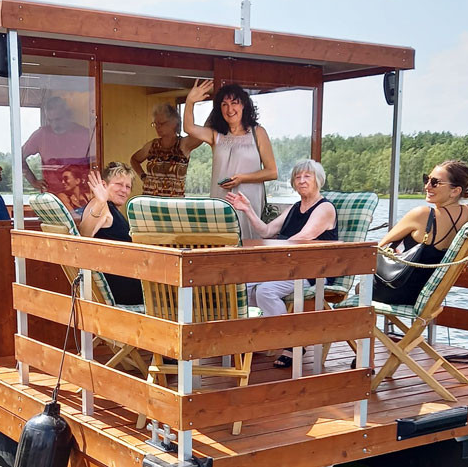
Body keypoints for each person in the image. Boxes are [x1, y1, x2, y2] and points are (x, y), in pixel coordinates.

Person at [226, 159, 337, 368]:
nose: (302, 181)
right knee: (243, 287)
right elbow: (266, 231)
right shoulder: (296, 207)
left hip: (312, 271)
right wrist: (247, 209)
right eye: (298, 177)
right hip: (286, 267)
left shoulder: (325, 208)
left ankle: (292, 343)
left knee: (265, 291)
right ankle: (259, 336)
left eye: (307, 176)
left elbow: (304, 237)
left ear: (318, 180)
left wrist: (270, 255)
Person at [374, 160, 468, 305]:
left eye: (435, 182)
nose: (427, 186)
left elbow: (377, 249)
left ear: (455, 191)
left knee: (358, 287)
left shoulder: (422, 214)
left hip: (395, 290)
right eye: (426, 179)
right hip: (428, 298)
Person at [184, 80, 277, 240]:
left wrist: (242, 178)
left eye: (234, 103)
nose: (230, 109)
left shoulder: (258, 132)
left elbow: (272, 172)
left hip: (250, 202)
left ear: (244, 106)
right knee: (220, 243)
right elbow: (189, 128)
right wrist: (190, 101)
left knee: (249, 244)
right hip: (220, 201)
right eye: (224, 104)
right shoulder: (216, 134)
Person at [79, 162, 143, 306]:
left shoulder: (106, 207)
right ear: (103, 185)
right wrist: (100, 202)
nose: (124, 190)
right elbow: (83, 236)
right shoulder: (101, 207)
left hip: (122, 280)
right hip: (122, 291)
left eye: (128, 186)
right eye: (118, 184)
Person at [22, 96, 94, 196]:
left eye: (58, 119)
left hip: (82, 197)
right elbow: (19, 157)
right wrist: (33, 181)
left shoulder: (85, 134)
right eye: (50, 120)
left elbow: (95, 165)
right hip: (52, 198)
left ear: (68, 115)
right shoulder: (41, 135)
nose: (55, 124)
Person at [130, 103, 203, 197]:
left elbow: (202, 134)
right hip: (150, 203)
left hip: (174, 205)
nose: (157, 127)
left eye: (161, 123)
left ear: (174, 123)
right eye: (155, 124)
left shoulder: (183, 144)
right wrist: (143, 177)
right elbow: (134, 159)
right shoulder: (152, 146)